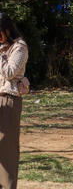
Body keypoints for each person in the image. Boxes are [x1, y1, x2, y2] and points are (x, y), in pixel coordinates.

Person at [0, 13, 28, 189]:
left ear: (7, 29)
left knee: (7, 150)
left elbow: (9, 72)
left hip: (8, 100)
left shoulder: (20, 47)